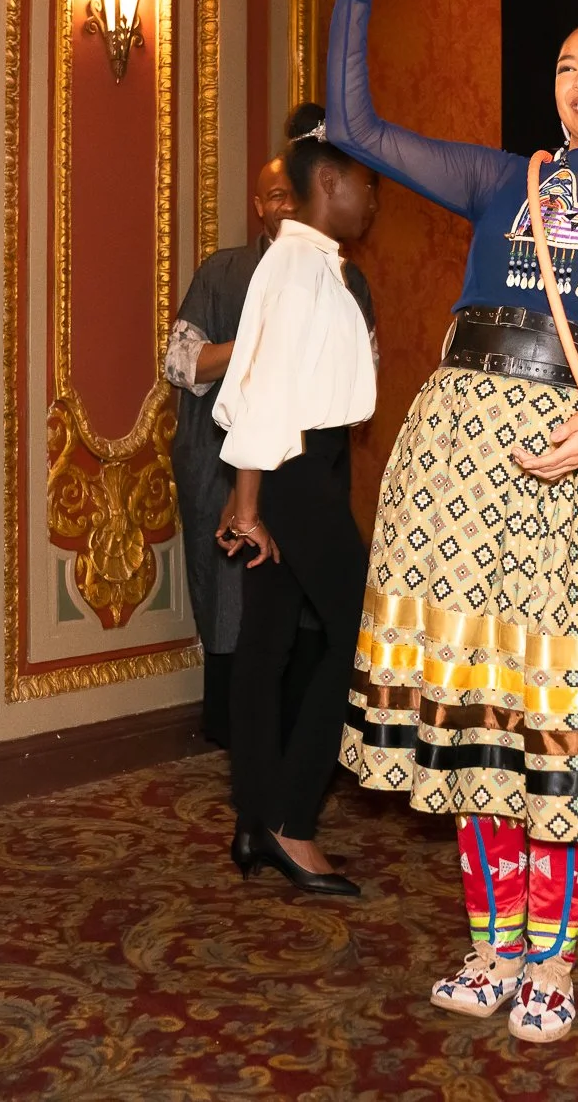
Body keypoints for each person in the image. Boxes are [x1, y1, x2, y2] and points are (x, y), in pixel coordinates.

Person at [328, 0, 578, 1043]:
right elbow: (355, 124)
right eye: (564, 64)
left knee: (561, 713)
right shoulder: (506, 177)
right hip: (454, 451)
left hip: (575, 456)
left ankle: (555, 959)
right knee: (479, 718)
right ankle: (492, 943)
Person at [216, 103, 379, 897]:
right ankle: (291, 822)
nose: (373, 201)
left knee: (270, 636)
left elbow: (251, 378)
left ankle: (255, 816)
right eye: (365, 185)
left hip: (279, 466)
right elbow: (265, 385)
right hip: (295, 467)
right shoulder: (299, 265)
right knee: (360, 632)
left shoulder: (310, 262)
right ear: (329, 180)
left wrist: (247, 492)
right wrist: (248, 499)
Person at [165, 150, 376, 747]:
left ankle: (268, 800)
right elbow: (181, 361)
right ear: (259, 207)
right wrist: (261, 342)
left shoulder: (344, 273)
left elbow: (362, 368)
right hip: (233, 456)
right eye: (274, 197)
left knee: (278, 624)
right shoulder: (226, 271)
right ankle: (272, 796)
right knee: (253, 616)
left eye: (292, 195)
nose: (286, 206)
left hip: (308, 456)